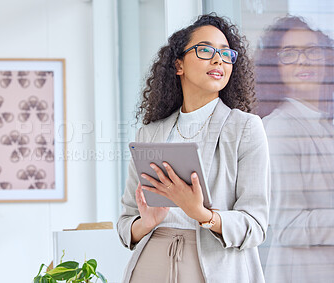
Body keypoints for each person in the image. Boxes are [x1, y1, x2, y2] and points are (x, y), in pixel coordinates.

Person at [117, 13, 270, 283]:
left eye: (225, 53)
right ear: (179, 65)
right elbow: (126, 222)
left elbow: (255, 225)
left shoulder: (246, 128)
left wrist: (201, 214)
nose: (218, 60)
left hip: (215, 266)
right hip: (151, 262)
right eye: (205, 50)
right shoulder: (150, 133)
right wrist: (147, 222)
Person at [255, 16, 334, 283]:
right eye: (289, 53)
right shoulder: (280, 128)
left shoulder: (324, 122)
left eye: (312, 50)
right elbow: (288, 226)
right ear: (274, 66)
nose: (303, 60)